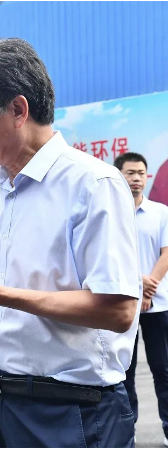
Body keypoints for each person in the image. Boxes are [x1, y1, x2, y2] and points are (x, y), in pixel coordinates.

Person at [0, 38, 141, 448]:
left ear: (18, 110)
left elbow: (119, 310)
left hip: (68, 412)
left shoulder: (92, 185)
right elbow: (7, 307)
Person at [115, 152, 168, 447]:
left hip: (158, 304)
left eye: (141, 173)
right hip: (123, 306)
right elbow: (112, 256)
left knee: (164, 371)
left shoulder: (160, 212)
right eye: (130, 173)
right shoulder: (111, 213)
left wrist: (148, 290)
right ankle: (127, 430)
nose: (136, 178)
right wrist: (138, 284)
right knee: (125, 372)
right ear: (119, 175)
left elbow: (166, 253)